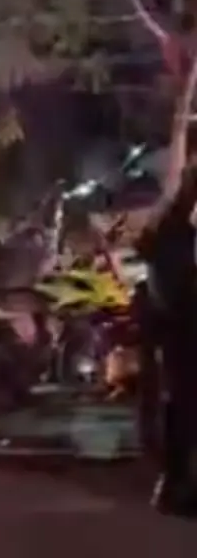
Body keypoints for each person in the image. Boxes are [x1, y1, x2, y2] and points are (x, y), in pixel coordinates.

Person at [134, 162, 197, 516]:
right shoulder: (177, 235)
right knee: (183, 408)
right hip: (183, 330)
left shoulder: (169, 229)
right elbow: (178, 289)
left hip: (174, 330)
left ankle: (176, 483)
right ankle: (175, 486)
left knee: (181, 408)